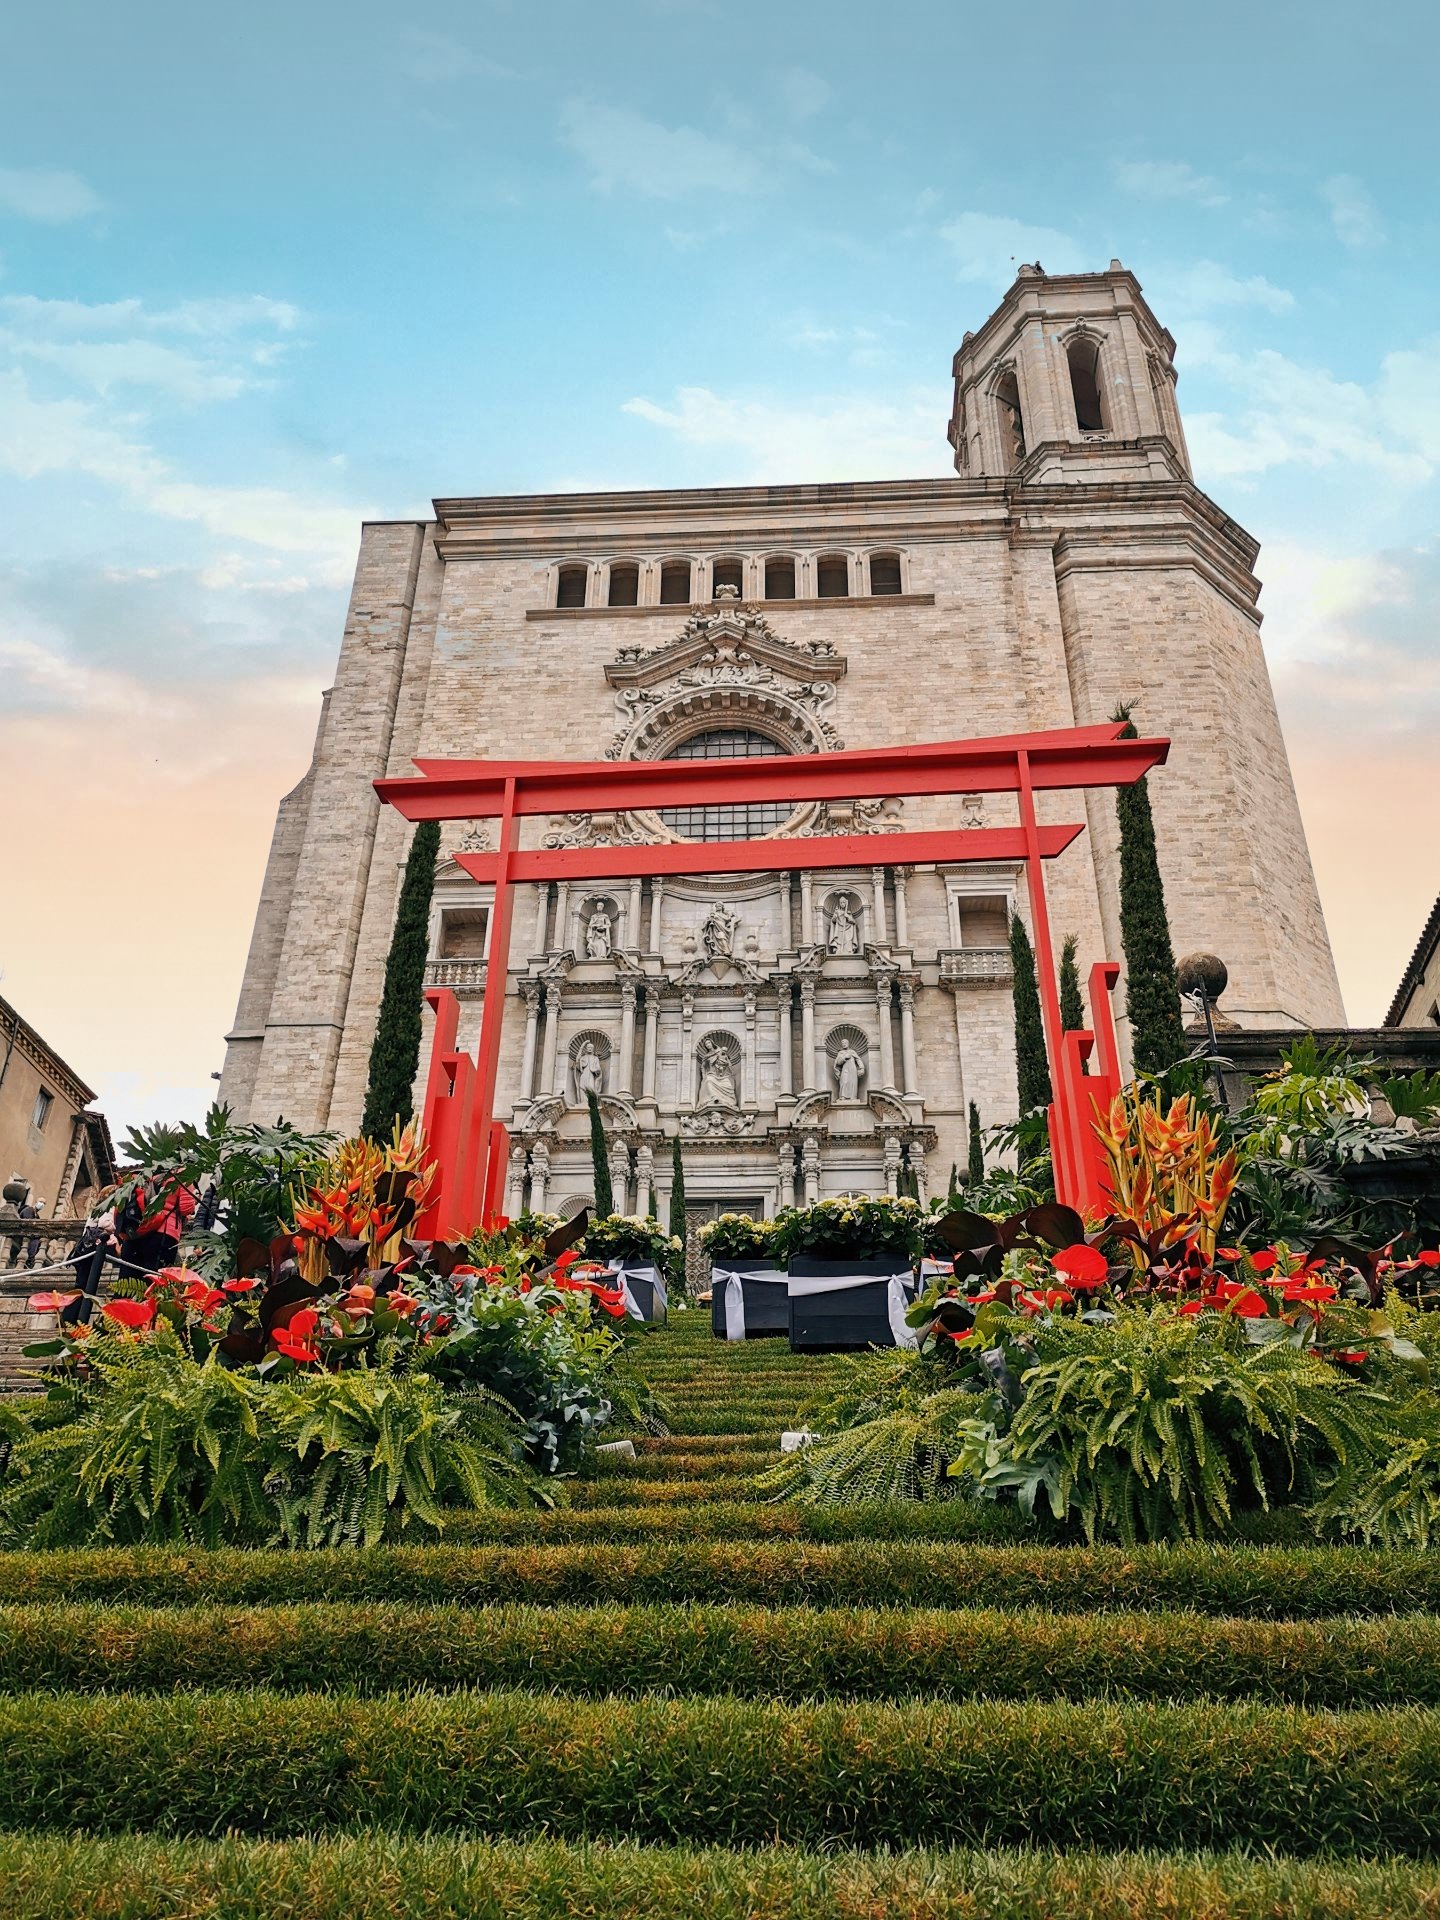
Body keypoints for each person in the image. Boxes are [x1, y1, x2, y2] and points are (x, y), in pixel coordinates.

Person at [62, 1192, 119, 1327]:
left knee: (81, 1286)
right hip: (93, 1250)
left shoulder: (97, 1209)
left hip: (83, 1250)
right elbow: (105, 1223)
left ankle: (69, 1320)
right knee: (86, 1286)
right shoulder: (109, 1207)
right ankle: (74, 1320)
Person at [119, 1178, 196, 1275]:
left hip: (137, 1230)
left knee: (128, 1280)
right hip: (164, 1232)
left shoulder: (146, 1172)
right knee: (155, 1278)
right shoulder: (181, 1174)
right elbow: (186, 1208)